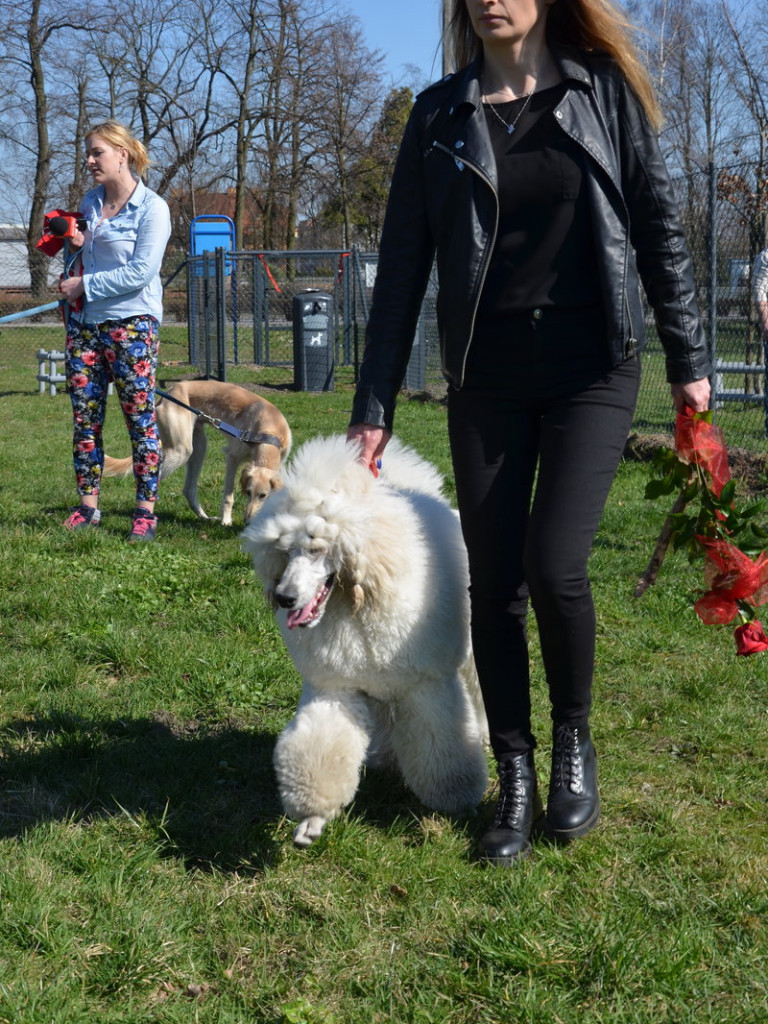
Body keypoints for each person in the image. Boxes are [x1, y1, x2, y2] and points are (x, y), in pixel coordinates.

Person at [347, 0, 712, 864]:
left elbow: (658, 227)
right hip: (488, 378)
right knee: (496, 585)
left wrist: (689, 360)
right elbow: (402, 268)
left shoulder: (605, 92)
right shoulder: (438, 115)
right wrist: (373, 405)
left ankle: (573, 743)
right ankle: (514, 775)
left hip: (593, 368)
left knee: (555, 566)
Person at [59, 120, 171, 542]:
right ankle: (87, 507)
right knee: (85, 420)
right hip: (85, 326)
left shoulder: (152, 208)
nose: (89, 161)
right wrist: (72, 251)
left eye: (97, 152)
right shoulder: (89, 202)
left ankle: (145, 513)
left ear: (122, 154)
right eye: (88, 153)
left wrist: (85, 284)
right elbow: (82, 260)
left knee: (140, 421)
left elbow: (141, 272)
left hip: (133, 325)